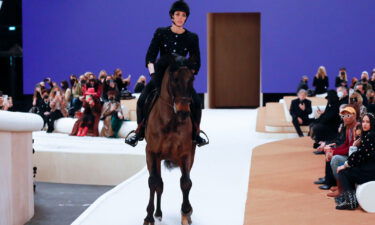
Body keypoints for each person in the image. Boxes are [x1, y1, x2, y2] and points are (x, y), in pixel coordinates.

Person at [125, 0, 208, 147]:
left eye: (183, 15)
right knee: (142, 99)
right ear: (172, 16)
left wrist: (187, 76)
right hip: (161, 76)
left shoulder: (192, 37)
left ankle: (196, 133)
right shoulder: (161, 32)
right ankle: (139, 131)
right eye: (177, 14)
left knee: (196, 102)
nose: (180, 17)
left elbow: (197, 62)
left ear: (186, 17)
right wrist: (153, 75)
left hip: (181, 77)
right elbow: (150, 57)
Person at [335, 113, 375, 210]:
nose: (364, 124)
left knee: (343, 172)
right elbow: (360, 155)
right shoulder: (368, 135)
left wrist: (345, 165)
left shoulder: (370, 136)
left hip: (370, 172)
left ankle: (350, 201)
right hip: (368, 168)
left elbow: (359, 155)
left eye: (368, 122)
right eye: (363, 122)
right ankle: (350, 198)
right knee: (348, 170)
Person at [314, 106, 357, 192]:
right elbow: (345, 144)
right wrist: (331, 150)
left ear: (354, 115)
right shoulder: (348, 127)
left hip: (355, 156)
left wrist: (333, 151)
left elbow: (350, 148)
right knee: (330, 152)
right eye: (343, 116)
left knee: (335, 158)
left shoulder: (355, 128)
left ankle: (340, 186)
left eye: (348, 115)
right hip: (347, 151)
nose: (345, 118)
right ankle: (330, 181)